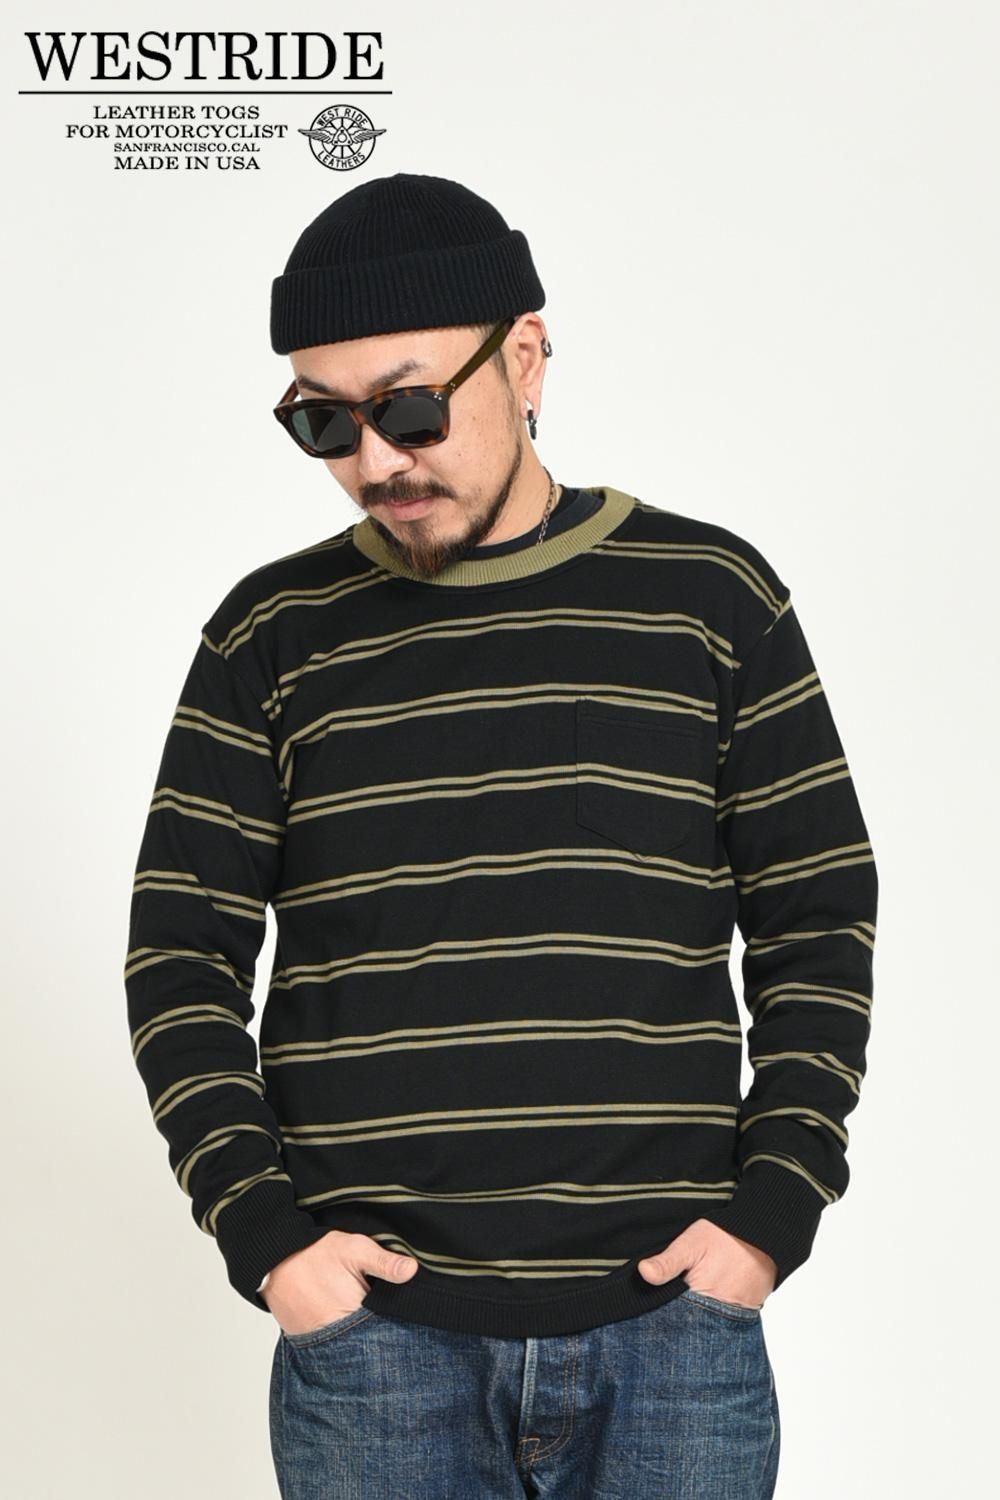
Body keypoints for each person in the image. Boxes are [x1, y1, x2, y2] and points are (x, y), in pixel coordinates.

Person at [124, 171, 878, 1498]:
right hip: (376, 1353)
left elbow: (817, 922)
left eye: (411, 408)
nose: (377, 461)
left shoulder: (709, 601)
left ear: (524, 358)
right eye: (324, 422)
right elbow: (179, 961)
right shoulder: (269, 638)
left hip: (673, 1332)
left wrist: (768, 1219)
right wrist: (273, 1246)